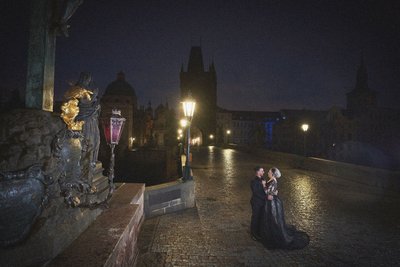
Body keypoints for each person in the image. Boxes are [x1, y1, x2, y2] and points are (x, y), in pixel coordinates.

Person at [259, 167, 310, 249]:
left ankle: (273, 236)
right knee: (271, 219)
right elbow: (273, 192)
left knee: (273, 219)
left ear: (272, 174)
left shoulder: (273, 181)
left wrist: (264, 185)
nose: (268, 172)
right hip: (272, 201)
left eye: (269, 172)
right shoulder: (272, 180)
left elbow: (268, 195)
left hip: (271, 204)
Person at [250, 166, 272, 240]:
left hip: (262, 202)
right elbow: (256, 193)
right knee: (255, 217)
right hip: (256, 202)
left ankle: (258, 231)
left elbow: (266, 190)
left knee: (260, 217)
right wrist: (266, 197)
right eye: (262, 171)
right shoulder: (254, 181)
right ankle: (253, 234)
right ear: (258, 172)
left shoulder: (263, 179)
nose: (263, 172)